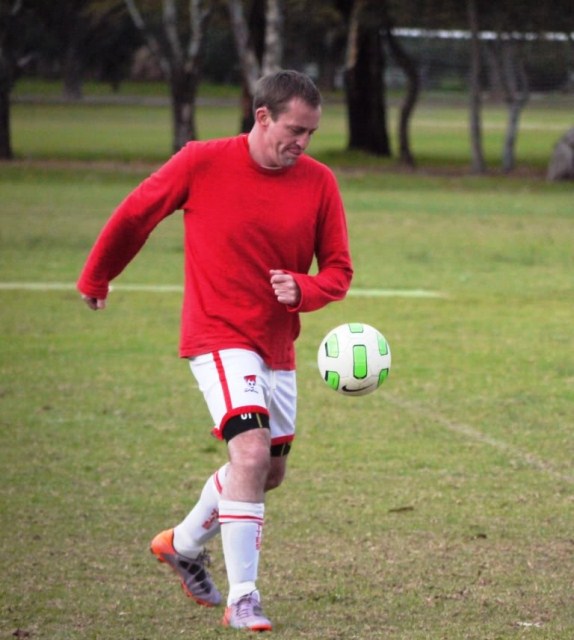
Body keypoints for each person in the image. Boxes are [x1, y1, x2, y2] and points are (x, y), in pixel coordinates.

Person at [77, 69, 353, 632]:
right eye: (295, 130)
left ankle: (180, 545)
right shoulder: (201, 162)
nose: (303, 142)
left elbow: (339, 270)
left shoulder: (320, 182)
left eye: (311, 133)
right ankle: (243, 598)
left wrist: (305, 289)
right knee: (249, 456)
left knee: (268, 473)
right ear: (262, 117)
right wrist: (97, 276)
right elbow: (136, 214)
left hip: (277, 346)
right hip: (218, 333)